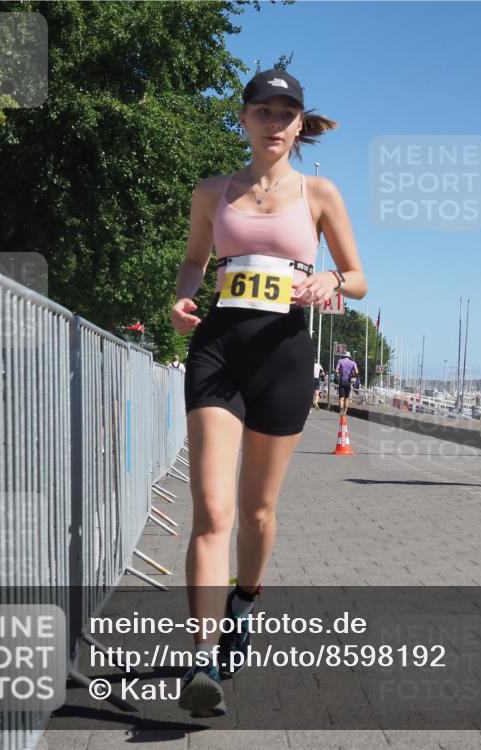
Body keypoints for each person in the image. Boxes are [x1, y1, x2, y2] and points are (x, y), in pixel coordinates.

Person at [169, 68, 366, 717]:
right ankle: (201, 660)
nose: (275, 123)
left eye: (287, 113)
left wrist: (331, 280)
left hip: (284, 356)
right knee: (212, 511)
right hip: (218, 351)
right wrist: (183, 294)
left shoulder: (320, 194)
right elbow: (196, 260)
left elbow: (360, 278)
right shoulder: (212, 192)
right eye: (264, 111)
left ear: (300, 124)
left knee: (256, 514)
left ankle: (243, 603)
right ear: (245, 118)